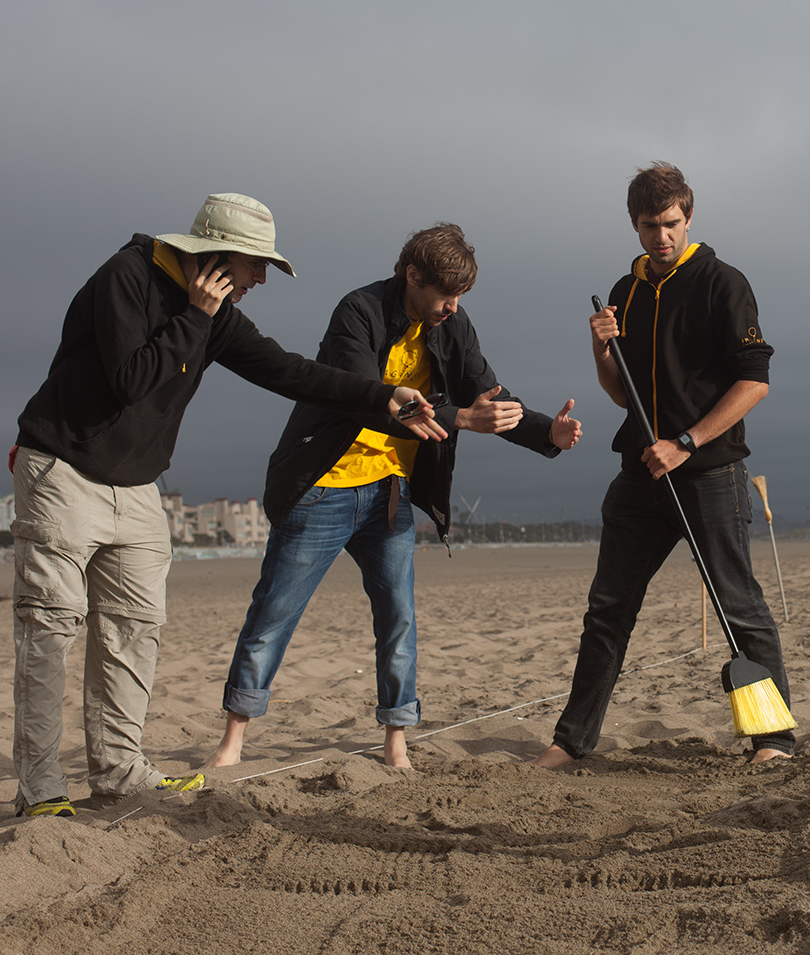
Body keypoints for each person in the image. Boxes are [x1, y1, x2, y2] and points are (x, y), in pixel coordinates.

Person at [10, 193, 443, 819]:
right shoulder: (126, 277)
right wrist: (194, 315)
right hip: (63, 470)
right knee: (51, 628)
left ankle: (117, 770)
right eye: (256, 265)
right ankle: (40, 788)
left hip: (135, 486)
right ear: (216, 258)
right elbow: (133, 379)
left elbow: (289, 371)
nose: (262, 279)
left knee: (134, 629)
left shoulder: (215, 312)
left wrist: (382, 398)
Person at [206, 223, 581, 770]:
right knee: (273, 615)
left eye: (461, 297)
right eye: (444, 294)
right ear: (412, 276)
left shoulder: (453, 324)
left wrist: (546, 432)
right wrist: (460, 419)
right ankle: (232, 743)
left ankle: (396, 744)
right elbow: (365, 400)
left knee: (398, 621)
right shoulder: (357, 311)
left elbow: (488, 395)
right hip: (324, 487)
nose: (453, 307)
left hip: (390, 495)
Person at [533, 162, 793, 768]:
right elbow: (623, 394)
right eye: (650, 226)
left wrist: (687, 441)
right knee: (607, 610)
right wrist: (601, 348)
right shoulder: (624, 291)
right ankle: (572, 743)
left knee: (739, 605)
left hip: (709, 473)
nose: (661, 238)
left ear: (689, 217)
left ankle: (773, 739)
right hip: (638, 474)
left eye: (671, 224)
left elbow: (755, 380)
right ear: (635, 224)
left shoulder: (721, 282)